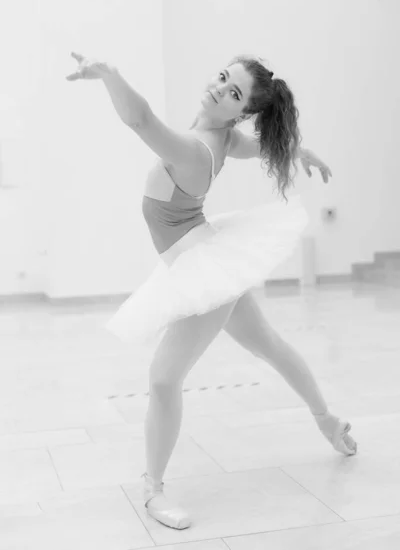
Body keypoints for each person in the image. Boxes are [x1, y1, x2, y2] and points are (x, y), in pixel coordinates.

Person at [67, 52, 357, 530]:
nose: (221, 89)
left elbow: (139, 119)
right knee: (269, 345)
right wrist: (299, 152)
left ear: (240, 112)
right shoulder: (221, 137)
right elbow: (264, 148)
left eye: (234, 93)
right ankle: (326, 419)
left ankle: (152, 489)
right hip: (204, 256)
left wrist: (110, 74)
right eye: (224, 79)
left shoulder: (198, 149)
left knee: (164, 379)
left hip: (201, 265)